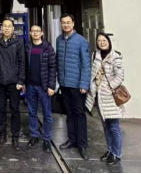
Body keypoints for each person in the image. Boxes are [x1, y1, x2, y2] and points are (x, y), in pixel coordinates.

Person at [86, 33, 125, 166]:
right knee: (106, 126)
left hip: (110, 97)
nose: (102, 42)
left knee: (114, 127)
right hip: (99, 97)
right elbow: (93, 73)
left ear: (108, 41)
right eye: (99, 41)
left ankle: (117, 154)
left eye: (104, 40)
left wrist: (109, 87)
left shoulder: (115, 57)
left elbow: (119, 77)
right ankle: (110, 150)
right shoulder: (95, 55)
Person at [56, 13, 91, 161]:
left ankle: (82, 144)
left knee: (79, 114)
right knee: (69, 113)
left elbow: (86, 64)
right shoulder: (59, 40)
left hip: (77, 85)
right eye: (63, 22)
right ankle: (71, 140)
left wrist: (84, 84)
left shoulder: (81, 41)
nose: (66, 25)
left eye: (68, 22)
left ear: (73, 24)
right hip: (64, 84)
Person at [0, 17, 26, 151]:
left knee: (15, 110)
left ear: (13, 29)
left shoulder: (18, 42)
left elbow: (22, 62)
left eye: (9, 26)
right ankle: (2, 135)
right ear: (1, 28)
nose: (6, 28)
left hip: (14, 82)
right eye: (4, 26)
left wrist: (21, 80)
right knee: (1, 109)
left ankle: (15, 136)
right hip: (0, 81)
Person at [25, 25, 57, 152]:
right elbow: (24, 66)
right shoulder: (27, 47)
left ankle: (46, 139)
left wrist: (51, 86)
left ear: (42, 33)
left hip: (44, 87)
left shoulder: (48, 48)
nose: (35, 33)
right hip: (30, 85)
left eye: (37, 31)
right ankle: (34, 135)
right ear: (30, 33)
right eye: (33, 31)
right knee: (32, 112)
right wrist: (23, 82)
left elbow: (53, 67)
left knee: (47, 114)